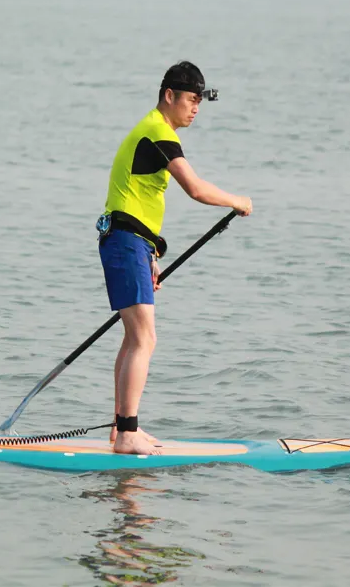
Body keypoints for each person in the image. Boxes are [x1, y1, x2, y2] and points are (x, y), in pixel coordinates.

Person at [96, 61, 253, 456]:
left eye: (200, 101)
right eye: (191, 99)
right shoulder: (157, 131)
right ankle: (128, 432)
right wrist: (238, 200)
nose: (196, 107)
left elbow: (136, 199)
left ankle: (121, 427)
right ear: (170, 95)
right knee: (144, 337)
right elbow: (196, 189)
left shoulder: (152, 130)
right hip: (123, 241)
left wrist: (149, 254)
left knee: (135, 336)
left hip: (131, 242)